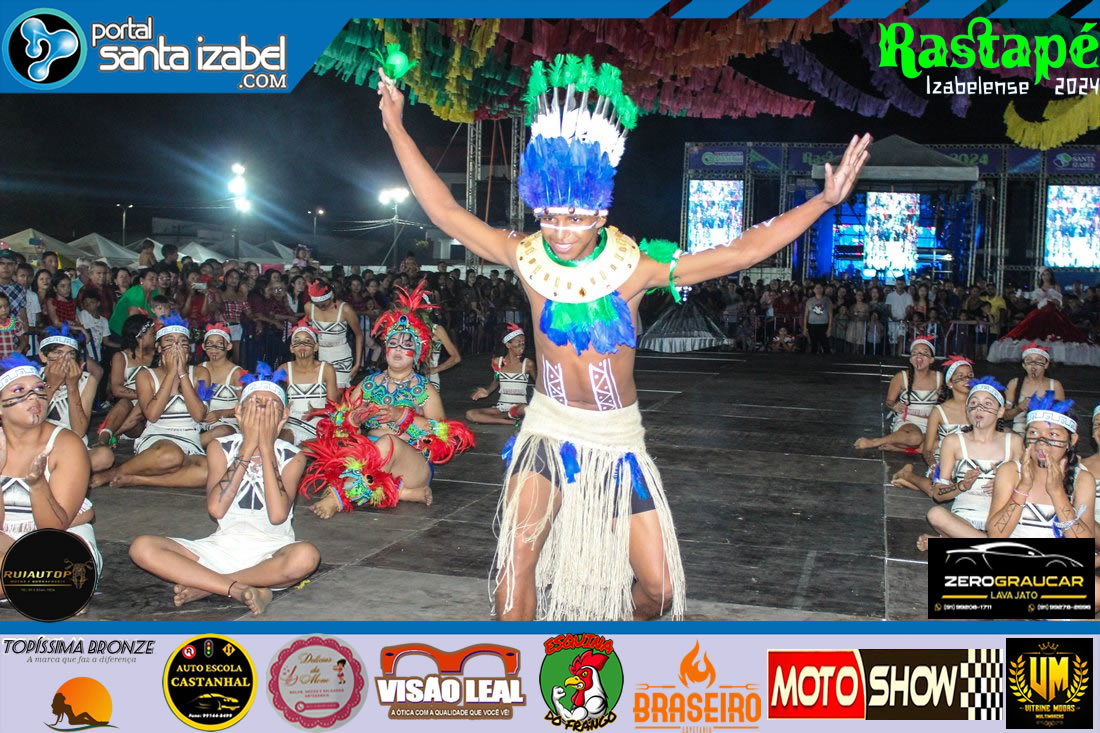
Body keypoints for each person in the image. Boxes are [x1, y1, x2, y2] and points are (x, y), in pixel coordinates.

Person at [377, 55, 869, 619]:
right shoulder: (525, 255)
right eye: (549, 216)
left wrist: (823, 201)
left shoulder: (634, 267)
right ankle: (521, 669)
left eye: (575, 217)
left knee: (659, 591)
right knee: (516, 568)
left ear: (599, 208)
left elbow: (739, 252)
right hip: (546, 431)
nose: (560, 231)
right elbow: (444, 211)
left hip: (617, 441)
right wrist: (395, 125)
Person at [128, 368, 319, 615]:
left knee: (306, 557)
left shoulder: (293, 456)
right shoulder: (220, 447)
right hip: (220, 547)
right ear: (239, 412)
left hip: (271, 553)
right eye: (255, 404)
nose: (262, 410)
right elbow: (216, 509)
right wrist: (248, 448)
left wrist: (266, 448)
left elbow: (277, 515)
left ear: (284, 415)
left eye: (271, 405)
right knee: (142, 547)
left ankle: (211, 585)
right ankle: (240, 588)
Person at [299, 283, 474, 518]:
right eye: (393, 344)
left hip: (410, 464)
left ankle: (338, 499)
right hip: (369, 457)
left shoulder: (425, 389)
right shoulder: (368, 384)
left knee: (388, 443)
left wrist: (403, 417)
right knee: (339, 456)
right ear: (386, 349)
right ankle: (402, 493)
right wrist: (353, 419)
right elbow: (337, 424)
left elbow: (444, 439)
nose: (398, 349)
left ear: (418, 352)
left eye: (407, 345)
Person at [0, 355, 101, 591]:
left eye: (39, 389)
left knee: (60, 574)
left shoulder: (67, 444)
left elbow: (52, 530)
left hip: (58, 541)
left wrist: (38, 485)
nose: (33, 397)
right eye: (19, 390)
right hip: (5, 541)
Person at [91, 314, 211, 488]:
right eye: (170, 341)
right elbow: (152, 415)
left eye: (182, 342)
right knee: (172, 456)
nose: (176, 347)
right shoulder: (146, 375)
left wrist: (182, 374)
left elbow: (199, 416)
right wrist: (171, 374)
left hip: (190, 440)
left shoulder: (201, 373)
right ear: (159, 347)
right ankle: (115, 472)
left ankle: (136, 479)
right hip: (159, 438)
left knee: (208, 471)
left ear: (189, 349)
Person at [916, 377, 1023, 550]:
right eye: (973, 403)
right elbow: (938, 494)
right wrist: (961, 486)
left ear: (1001, 411)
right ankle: (990, 547)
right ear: (967, 410)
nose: (978, 408)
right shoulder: (953, 442)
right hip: (963, 521)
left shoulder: (1014, 442)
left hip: (1001, 523)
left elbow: (1026, 487)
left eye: (987, 404)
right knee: (935, 514)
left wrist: (1004, 484)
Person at [986, 392, 1094, 542]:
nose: (1041, 442)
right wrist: (1023, 487)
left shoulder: (1083, 479)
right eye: (1034, 432)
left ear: (1072, 440)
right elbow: (995, 535)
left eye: (1053, 434)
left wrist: (1057, 493)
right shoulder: (1010, 471)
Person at [891, 355, 974, 494]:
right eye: (961, 376)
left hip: (970, 459)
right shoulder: (939, 411)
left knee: (964, 489)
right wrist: (935, 467)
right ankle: (908, 476)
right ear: (950, 382)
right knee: (943, 491)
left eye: (970, 376)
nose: (967, 380)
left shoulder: (979, 408)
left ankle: (911, 480)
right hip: (944, 460)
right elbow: (927, 449)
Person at [988, 267, 1100, 365]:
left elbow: (1060, 303)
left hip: (1053, 313)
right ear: (1041, 276)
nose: (1046, 276)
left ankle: (1055, 358)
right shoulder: (1038, 287)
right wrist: (1034, 299)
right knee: (1030, 333)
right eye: (1044, 274)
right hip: (1040, 313)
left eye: (1048, 274)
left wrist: (1053, 300)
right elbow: (1032, 301)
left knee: (1059, 335)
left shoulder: (1055, 286)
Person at [854, 335, 940, 452]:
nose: (919, 355)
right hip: (908, 423)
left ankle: (899, 448)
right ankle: (875, 442)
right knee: (915, 438)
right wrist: (894, 405)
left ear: (932, 359)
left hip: (931, 423)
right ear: (910, 359)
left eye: (924, 353)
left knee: (941, 442)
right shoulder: (901, 377)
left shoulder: (939, 378)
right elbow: (889, 402)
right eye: (915, 352)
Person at [276, 319, 338, 446]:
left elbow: (334, 408)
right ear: (291, 348)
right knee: (281, 444)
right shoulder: (284, 369)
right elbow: (275, 402)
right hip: (291, 424)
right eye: (297, 341)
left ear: (316, 347)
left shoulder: (326, 369)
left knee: (304, 450)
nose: (302, 345)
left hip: (318, 425)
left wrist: (316, 411)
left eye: (307, 341)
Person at [97, 314, 155, 447]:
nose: (155, 337)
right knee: (124, 402)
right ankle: (103, 438)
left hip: (152, 408)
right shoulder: (121, 357)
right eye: (152, 334)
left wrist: (147, 397)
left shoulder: (157, 356)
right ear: (139, 335)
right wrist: (142, 394)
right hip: (130, 408)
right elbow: (117, 389)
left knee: (142, 404)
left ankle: (115, 433)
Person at [467, 323, 536, 424]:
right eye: (518, 343)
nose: (522, 346)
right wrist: (487, 391)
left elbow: (539, 383)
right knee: (470, 414)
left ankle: (500, 418)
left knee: (525, 409)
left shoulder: (528, 364)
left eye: (523, 343)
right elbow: (496, 381)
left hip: (519, 407)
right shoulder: (497, 362)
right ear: (508, 345)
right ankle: (508, 421)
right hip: (501, 408)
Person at [306, 281, 362, 388]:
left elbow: (359, 335)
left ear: (331, 297)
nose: (321, 307)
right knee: (323, 391)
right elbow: (309, 331)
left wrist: (357, 364)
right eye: (317, 305)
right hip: (320, 356)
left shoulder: (345, 309)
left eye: (324, 304)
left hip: (341, 356)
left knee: (338, 392)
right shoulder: (309, 307)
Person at [1003, 343, 1065, 435]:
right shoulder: (1014, 384)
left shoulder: (1055, 385)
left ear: (1046, 364)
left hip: (1045, 433)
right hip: (1018, 433)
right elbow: (1003, 416)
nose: (1033, 364)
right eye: (1029, 360)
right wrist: (1019, 409)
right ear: (1024, 365)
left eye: (1038, 360)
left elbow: (1061, 417)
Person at [198, 323, 244, 447]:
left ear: (228, 346)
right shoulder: (200, 369)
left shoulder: (236, 373)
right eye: (210, 344)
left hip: (227, 423)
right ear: (203, 346)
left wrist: (221, 413)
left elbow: (245, 406)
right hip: (200, 422)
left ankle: (189, 446)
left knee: (221, 431)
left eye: (219, 344)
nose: (214, 348)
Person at [108, 268, 159, 338]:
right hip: (119, 331)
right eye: (151, 279)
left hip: (138, 330)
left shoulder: (154, 292)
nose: (155, 282)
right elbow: (133, 320)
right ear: (142, 280)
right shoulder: (136, 293)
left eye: (157, 279)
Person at [885, 277, 913, 355]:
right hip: (892, 321)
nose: (900, 286)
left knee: (901, 338)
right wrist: (892, 317)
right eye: (898, 284)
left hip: (903, 321)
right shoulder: (890, 295)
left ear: (904, 284)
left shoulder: (908, 296)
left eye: (901, 284)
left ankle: (899, 355)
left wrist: (905, 319)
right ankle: (893, 355)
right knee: (892, 340)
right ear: (895, 284)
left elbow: (909, 309)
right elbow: (888, 308)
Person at [0, 291, 27, 359]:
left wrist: (18, 351)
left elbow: (23, 341)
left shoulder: (15, 323)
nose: (4, 310)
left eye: (6, 306)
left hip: (11, 361)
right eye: (0, 307)